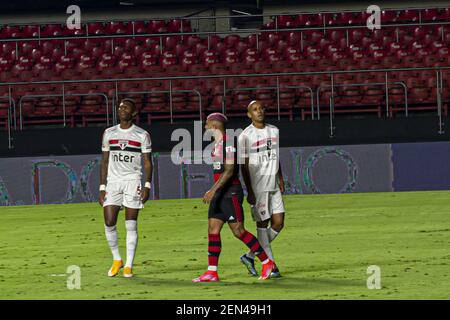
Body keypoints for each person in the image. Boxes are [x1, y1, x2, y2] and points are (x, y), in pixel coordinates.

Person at [192, 112, 275, 282]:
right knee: (213, 230)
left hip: (230, 193)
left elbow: (230, 170)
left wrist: (213, 190)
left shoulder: (229, 143)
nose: (205, 128)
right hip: (220, 194)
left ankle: (267, 262)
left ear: (214, 125)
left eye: (207, 125)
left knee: (238, 231)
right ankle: (212, 271)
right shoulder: (217, 144)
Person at [98, 98, 153, 278]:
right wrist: (102, 186)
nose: (122, 109)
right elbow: (105, 161)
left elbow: (147, 162)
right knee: (109, 221)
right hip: (113, 182)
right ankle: (116, 259)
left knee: (131, 224)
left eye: (126, 107)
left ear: (134, 113)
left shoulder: (142, 135)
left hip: (132, 181)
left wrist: (147, 185)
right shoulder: (109, 133)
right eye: (120, 107)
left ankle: (128, 264)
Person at [238, 100, 285, 278]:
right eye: (254, 110)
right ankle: (271, 266)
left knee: (279, 223)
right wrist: (249, 189)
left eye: (261, 108)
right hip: (258, 185)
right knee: (262, 225)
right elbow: (244, 164)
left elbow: (276, 155)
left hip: (273, 182)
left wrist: (280, 177)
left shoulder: (274, 130)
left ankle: (250, 255)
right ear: (249, 114)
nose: (259, 112)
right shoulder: (245, 135)